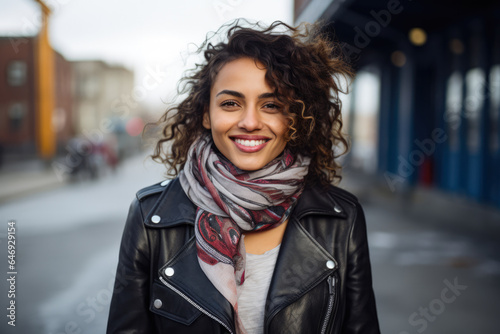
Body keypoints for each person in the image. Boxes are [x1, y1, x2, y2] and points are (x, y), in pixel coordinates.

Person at [107, 20, 380, 334]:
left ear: (295, 117)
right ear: (206, 114)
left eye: (272, 105)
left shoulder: (342, 219)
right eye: (230, 103)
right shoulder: (151, 215)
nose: (250, 122)